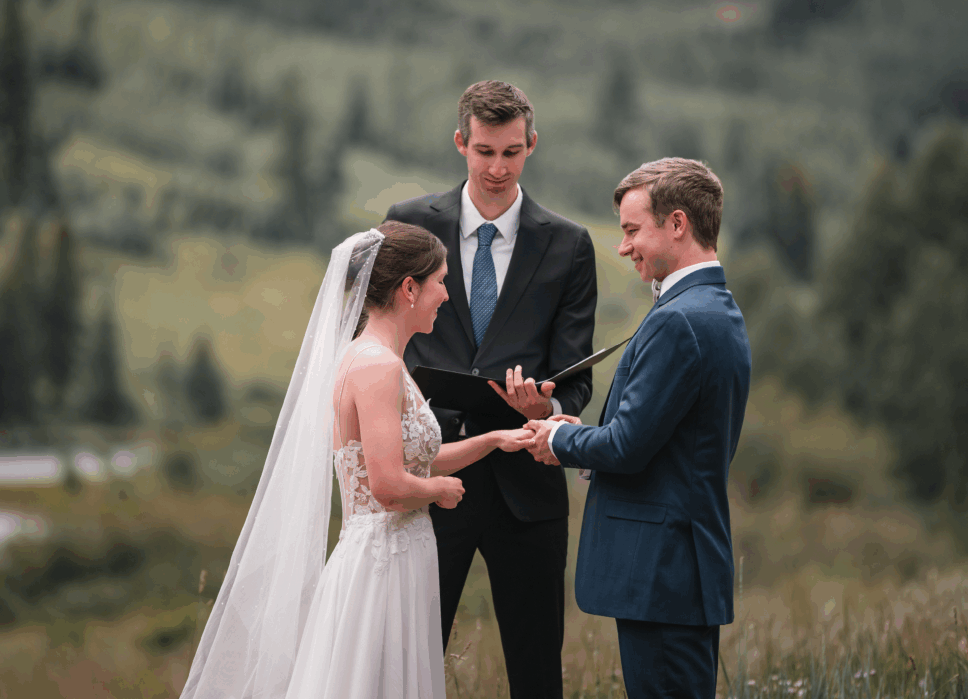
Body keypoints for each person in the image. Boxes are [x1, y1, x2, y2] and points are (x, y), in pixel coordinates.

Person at [181, 221, 533, 699]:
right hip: (381, 563)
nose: (447, 296)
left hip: (398, 555)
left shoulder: (380, 360)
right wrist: (440, 492)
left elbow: (409, 462)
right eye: (440, 282)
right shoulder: (376, 366)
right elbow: (389, 486)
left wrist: (493, 439)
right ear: (409, 288)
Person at [385, 80, 598, 699]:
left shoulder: (568, 245)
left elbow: (576, 373)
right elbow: (377, 339)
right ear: (461, 144)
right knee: (409, 665)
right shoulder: (406, 226)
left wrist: (549, 407)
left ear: (532, 145)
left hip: (526, 488)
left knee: (536, 671)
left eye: (511, 152)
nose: (497, 168)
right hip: (427, 478)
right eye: (484, 152)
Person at [525, 158, 752, 699]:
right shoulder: (713, 308)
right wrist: (580, 431)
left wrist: (557, 438)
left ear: (677, 224)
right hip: (677, 571)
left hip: (664, 573)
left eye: (632, 231)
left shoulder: (679, 320)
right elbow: (659, 437)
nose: (624, 247)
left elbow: (627, 445)